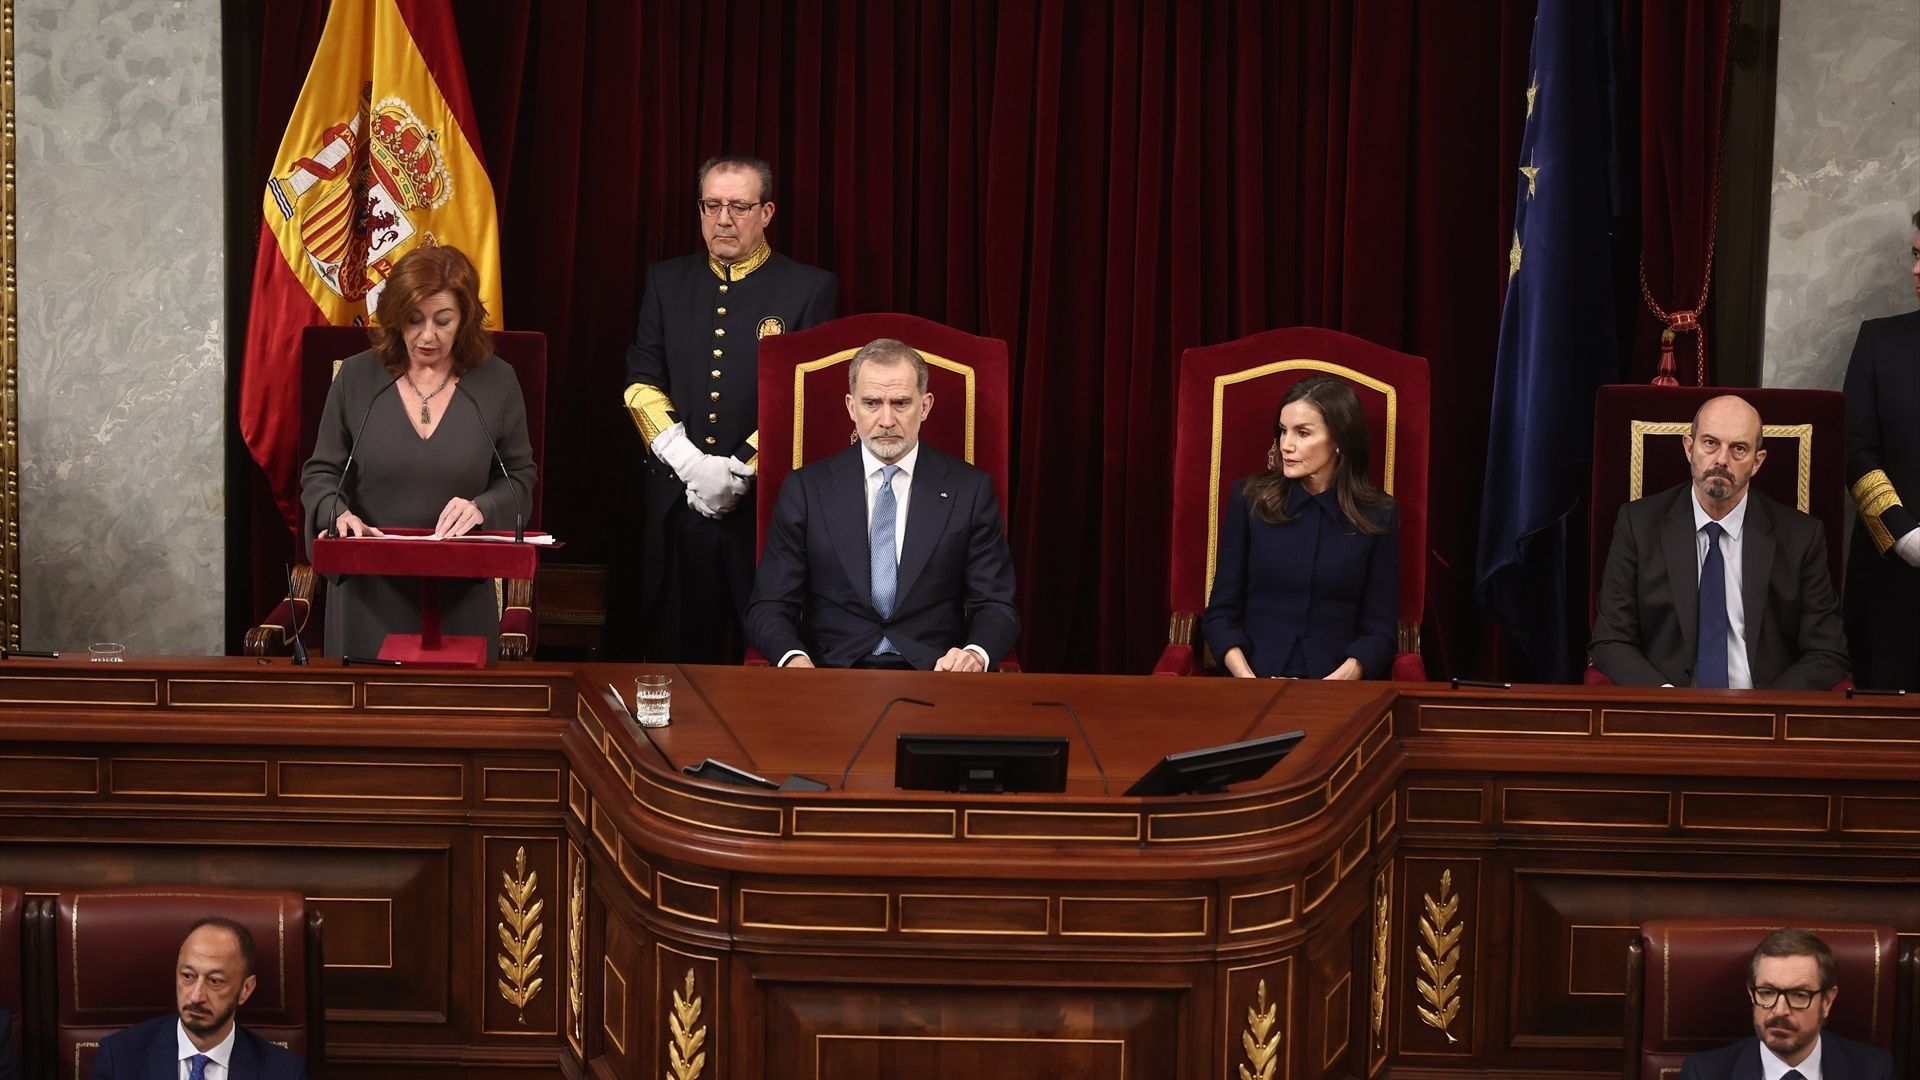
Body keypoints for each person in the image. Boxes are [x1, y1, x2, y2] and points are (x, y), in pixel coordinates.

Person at [623, 154, 838, 662]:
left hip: (766, 509)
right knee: (683, 655)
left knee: (770, 650)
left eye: (739, 206)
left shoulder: (808, 289)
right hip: (683, 499)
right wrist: (694, 466)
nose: (723, 219)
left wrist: (739, 471)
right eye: (712, 205)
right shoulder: (665, 281)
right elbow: (641, 384)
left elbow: (803, 396)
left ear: (766, 213)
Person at [299, 244, 536, 661]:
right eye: (414, 320)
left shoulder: (497, 382)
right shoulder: (356, 377)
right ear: (394, 316)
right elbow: (321, 474)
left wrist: (482, 508)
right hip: (366, 597)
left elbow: (519, 478)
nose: (428, 335)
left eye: (443, 321)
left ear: (464, 319)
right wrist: (338, 515)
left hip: (459, 601)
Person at [746, 338, 1018, 670]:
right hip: (830, 673)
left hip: (935, 673)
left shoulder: (970, 490)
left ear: (926, 405)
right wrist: (794, 659)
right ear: (851, 407)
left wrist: (975, 654)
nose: (886, 420)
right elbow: (768, 605)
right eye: (872, 403)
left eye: (901, 403)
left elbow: (996, 604)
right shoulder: (805, 489)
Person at [1589, 395, 1849, 689]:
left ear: (1757, 462)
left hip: (1762, 715)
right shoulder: (1638, 525)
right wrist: (1668, 702)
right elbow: (1610, 640)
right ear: (1689, 448)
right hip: (1667, 711)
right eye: (1710, 443)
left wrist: (1767, 709)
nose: (1722, 460)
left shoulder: (1801, 537)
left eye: (1738, 449)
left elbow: (1828, 653)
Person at [1202, 375, 1398, 679]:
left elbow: (1380, 631)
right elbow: (1219, 616)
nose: (1286, 445)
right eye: (1283, 431)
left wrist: (1336, 683)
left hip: (1336, 686)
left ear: (1339, 441)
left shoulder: (1378, 514)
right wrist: (1247, 680)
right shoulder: (1249, 499)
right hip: (1253, 680)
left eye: (1303, 433)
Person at [1842, 208, 1920, 689]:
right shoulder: (1880, 342)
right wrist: (1907, 537)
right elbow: (1855, 451)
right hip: (1894, 582)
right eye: (1916, 255)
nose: (1915, 270)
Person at [91, 918, 306, 1080]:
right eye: (188, 976)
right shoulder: (118, 1060)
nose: (195, 996)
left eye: (215, 981)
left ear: (246, 989)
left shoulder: (284, 1072)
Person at [1678, 928, 1892, 1080]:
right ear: (1752, 995)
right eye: (1768, 993)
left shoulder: (1874, 1071)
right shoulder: (1704, 1073)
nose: (1779, 1010)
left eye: (1799, 995)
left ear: (1827, 1001)